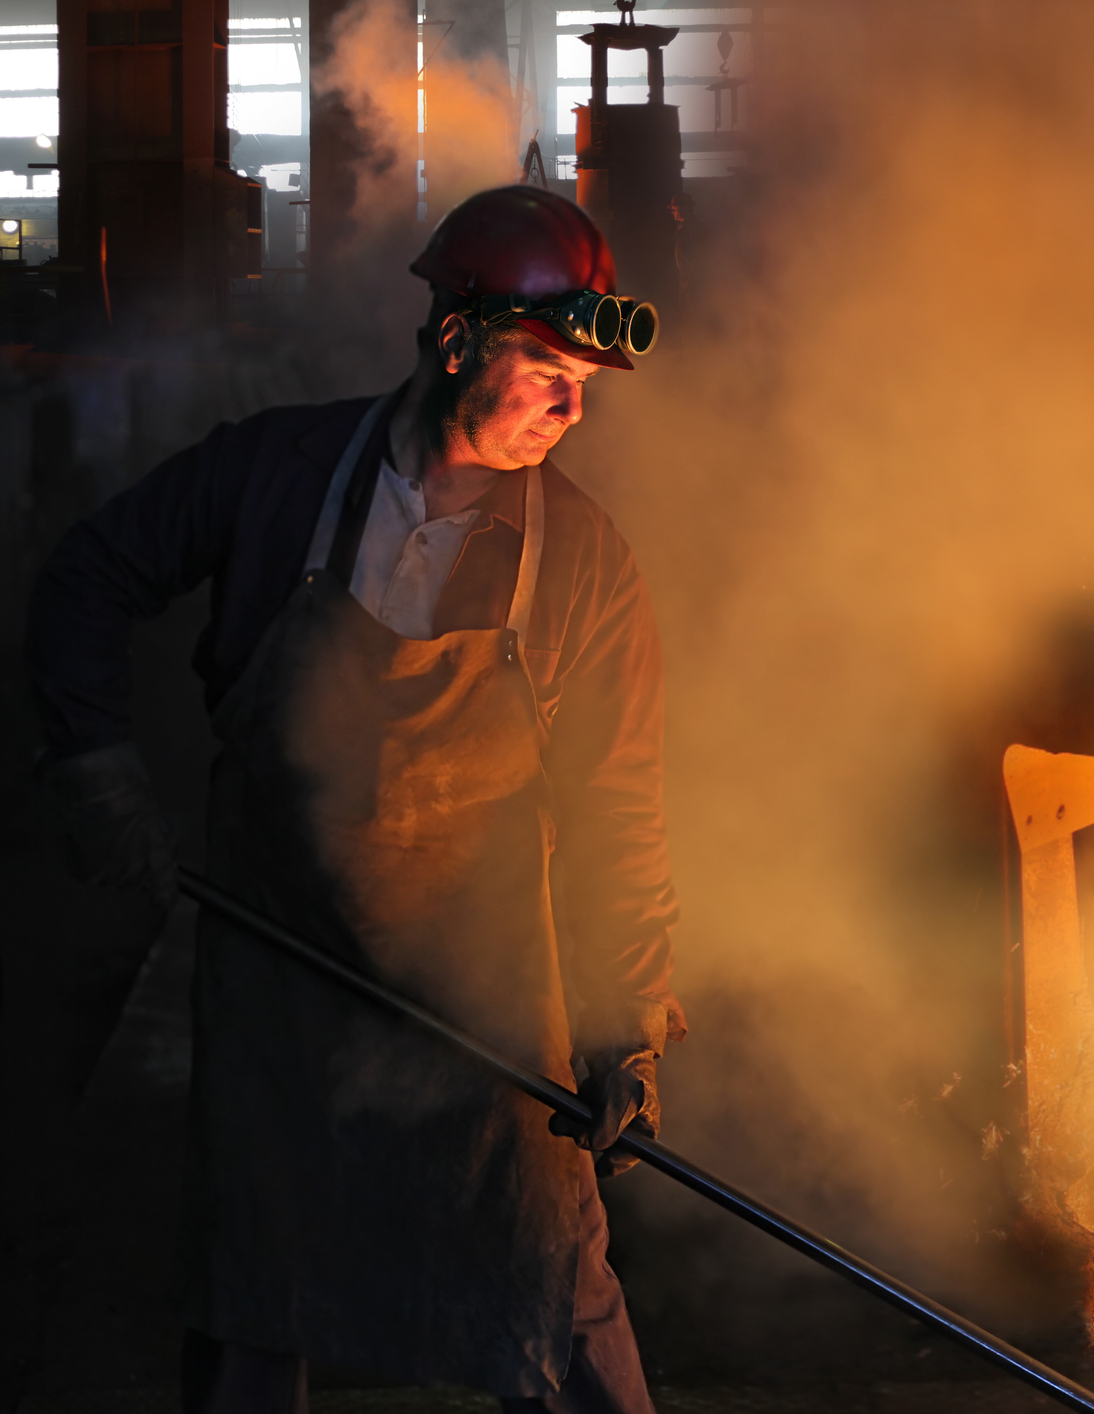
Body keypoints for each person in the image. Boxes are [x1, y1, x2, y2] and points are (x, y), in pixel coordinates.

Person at [23, 185, 683, 1413]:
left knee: (558, 1302)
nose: (571, 405)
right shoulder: (273, 477)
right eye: (547, 366)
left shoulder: (585, 560)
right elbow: (85, 578)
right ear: (455, 340)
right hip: (285, 986)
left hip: (486, 1015)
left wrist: (624, 1027)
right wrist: (94, 765)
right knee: (257, 1304)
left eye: (586, 381)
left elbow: (618, 810)